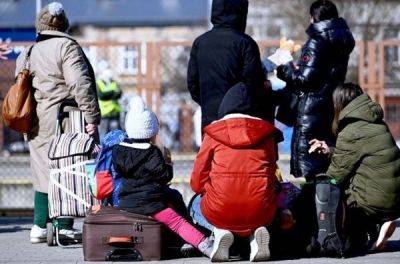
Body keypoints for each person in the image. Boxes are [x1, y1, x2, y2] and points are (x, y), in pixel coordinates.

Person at [14, 2, 101, 243]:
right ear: (63, 24)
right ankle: (63, 225)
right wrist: (91, 116)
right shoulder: (67, 47)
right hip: (66, 119)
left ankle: (39, 225)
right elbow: (79, 84)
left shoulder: (29, 51)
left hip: (37, 120)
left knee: (42, 170)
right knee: (68, 168)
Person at [190, 83, 282, 262]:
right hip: (260, 210)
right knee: (263, 202)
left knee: (194, 205)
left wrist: (209, 187)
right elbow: (272, 173)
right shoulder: (267, 135)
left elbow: (196, 183)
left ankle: (220, 231)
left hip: (219, 210)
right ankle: (255, 236)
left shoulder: (213, 133)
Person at [112, 97, 213, 258]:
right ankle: (206, 245)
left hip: (126, 202)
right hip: (151, 203)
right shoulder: (152, 152)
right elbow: (165, 176)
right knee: (177, 221)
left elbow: (118, 171)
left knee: (172, 200)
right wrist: (168, 162)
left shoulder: (118, 150)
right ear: (151, 132)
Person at [309, 83, 400, 253]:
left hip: (373, 202)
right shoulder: (377, 123)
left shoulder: (351, 131)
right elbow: (361, 152)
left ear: (339, 104)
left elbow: (336, 174)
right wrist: (331, 150)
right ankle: (380, 224)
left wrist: (314, 190)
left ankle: (371, 229)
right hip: (393, 199)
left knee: (331, 190)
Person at [276, 0, 355, 181]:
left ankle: (313, 205)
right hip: (331, 104)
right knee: (326, 161)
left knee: (309, 166)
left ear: (314, 17)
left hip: (310, 108)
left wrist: (284, 69)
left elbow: (305, 79)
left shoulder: (317, 41)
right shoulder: (342, 41)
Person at [187, 0, 273, 129]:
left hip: (209, 119)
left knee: (212, 149)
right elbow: (253, 83)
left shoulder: (200, 42)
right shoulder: (246, 43)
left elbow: (192, 83)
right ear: (241, 12)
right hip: (239, 120)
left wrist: (208, 104)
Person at [96, 62, 122, 138]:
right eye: (107, 68)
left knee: (116, 135)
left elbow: (119, 93)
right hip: (104, 114)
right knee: (103, 135)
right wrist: (113, 92)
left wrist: (108, 93)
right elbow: (101, 95)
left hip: (115, 113)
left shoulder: (113, 82)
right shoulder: (98, 82)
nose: (109, 70)